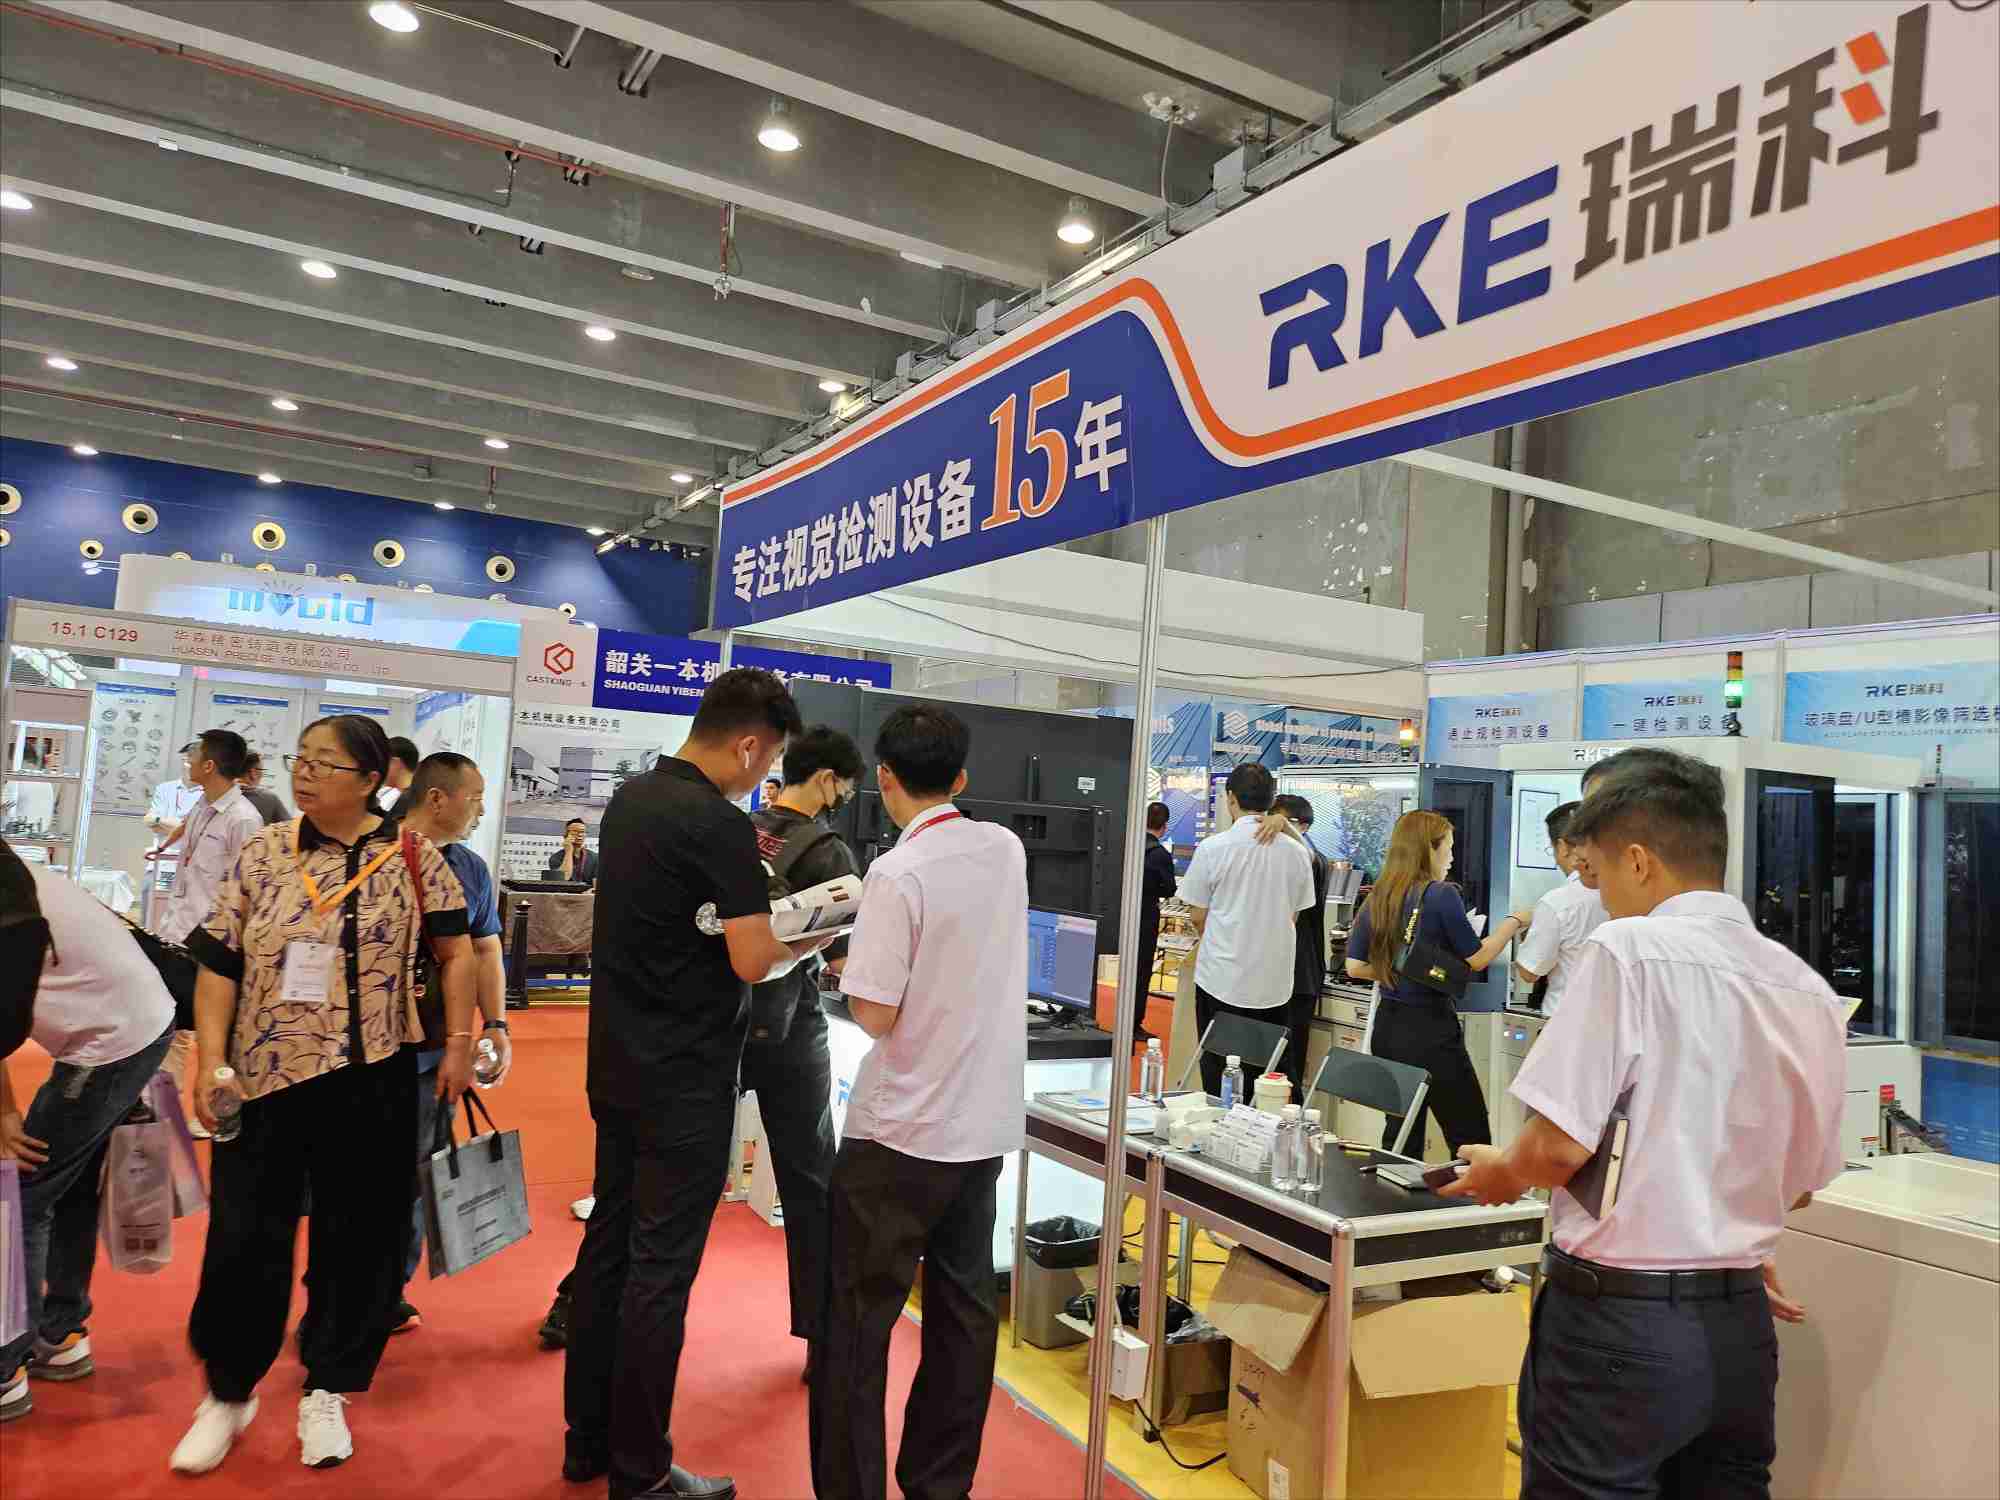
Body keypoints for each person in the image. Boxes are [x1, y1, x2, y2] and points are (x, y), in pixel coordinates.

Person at [1442, 748, 1847, 1500]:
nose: (1597, 895)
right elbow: (1801, 1187)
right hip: (1741, 1329)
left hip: (1619, 1327)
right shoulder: (1806, 989)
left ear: (1638, 861)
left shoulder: (1628, 950)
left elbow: (1557, 1148)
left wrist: (1503, 1171)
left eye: (1598, 873)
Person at [170, 714, 477, 1475]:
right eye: (300, 760)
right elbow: (219, 964)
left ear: (371, 780)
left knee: (360, 1239)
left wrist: (460, 1043)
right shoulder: (265, 850)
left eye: (324, 764)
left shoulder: (414, 856)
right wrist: (211, 1062)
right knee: (246, 1237)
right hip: (265, 1077)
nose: (304, 774)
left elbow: (457, 951)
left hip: (373, 1077)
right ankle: (229, 1391)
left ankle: (328, 1387)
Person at [564, 668, 827, 1500]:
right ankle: (641, 1473)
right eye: (769, 759)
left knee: (610, 1249)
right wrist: (817, 933)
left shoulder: (630, 801)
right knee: (659, 1271)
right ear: (748, 745)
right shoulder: (720, 825)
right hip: (685, 1078)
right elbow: (752, 958)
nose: (765, 776)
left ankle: (589, 1441)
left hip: (617, 1062)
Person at [814, 703, 1028, 1500]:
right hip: (980, 1124)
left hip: (899, 1131)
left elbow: (875, 1013)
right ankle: (940, 1485)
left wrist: (843, 968)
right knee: (965, 1314)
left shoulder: (897, 873)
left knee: (856, 1324)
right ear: (962, 778)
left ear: (884, 778)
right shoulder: (1005, 849)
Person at [0, 843, 176, 1424]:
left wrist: (5, 1115)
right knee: (66, 1185)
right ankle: (61, 1333)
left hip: (112, 1039)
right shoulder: (12, 873)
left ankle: (5, 1368)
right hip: (131, 1020)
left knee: (21, 1191)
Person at [745, 725, 864, 1381]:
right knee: (812, 1184)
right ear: (827, 780)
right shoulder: (829, 850)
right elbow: (842, 959)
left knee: (672, 1178)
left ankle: (583, 1303)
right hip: (790, 1029)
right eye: (845, 786)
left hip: (726, 1022)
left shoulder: (743, 829)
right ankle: (825, 1340)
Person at [389, 752, 513, 1334]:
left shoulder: (470, 868)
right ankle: (334, 1297)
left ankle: (389, 1291)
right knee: (351, 1179)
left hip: (438, 1048)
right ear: (437, 798)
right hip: (365, 1052)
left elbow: (486, 949)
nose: (481, 810)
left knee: (421, 1169)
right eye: (475, 797)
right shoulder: (375, 852)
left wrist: (496, 1025)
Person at [1344, 810, 1533, 1158]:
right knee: (1469, 1134)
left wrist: (1396, 970)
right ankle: (1475, 1193)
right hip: (1431, 1029)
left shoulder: (1379, 895)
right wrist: (1514, 922)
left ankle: (1392, 1193)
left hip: (1388, 1027)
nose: (1452, 857)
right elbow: (1477, 958)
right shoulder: (1441, 894)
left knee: (1401, 1136)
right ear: (1428, 849)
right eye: (1449, 847)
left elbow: (1355, 967)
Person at [1178, 764, 1315, 1097]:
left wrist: (1223, 938)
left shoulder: (1214, 848)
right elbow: (1294, 915)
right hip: (1274, 985)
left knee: (1219, 1073)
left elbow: (1198, 914)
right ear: (1270, 800)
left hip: (1220, 979)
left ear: (1230, 799)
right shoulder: (1296, 853)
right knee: (1270, 1079)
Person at [155, 733, 266, 1135]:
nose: (188, 763)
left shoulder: (244, 819)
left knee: (211, 1035)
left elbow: (249, 889)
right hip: (177, 933)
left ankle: (218, 1116)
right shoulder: (203, 805)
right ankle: (164, 1116)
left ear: (210, 766)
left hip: (213, 945)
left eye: (194, 756)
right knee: (170, 1030)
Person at [1513, 800, 1607, 1014]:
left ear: (1563, 847)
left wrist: (1520, 927)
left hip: (1563, 1017)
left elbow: (1529, 971)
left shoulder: (1557, 902)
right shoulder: (1629, 893)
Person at [1270, 795, 1330, 1100]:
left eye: (1278, 821)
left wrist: (1284, 826)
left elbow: (1308, 857)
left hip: (1300, 975)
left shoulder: (1312, 860)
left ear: (1302, 826)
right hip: (1282, 973)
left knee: (1289, 1066)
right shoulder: (1284, 857)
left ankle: (1293, 1117)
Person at [1131, 800, 1177, 1046]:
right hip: (1146, 917)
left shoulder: (1129, 846)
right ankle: (1133, 1023)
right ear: (1164, 826)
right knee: (1141, 972)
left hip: (1124, 913)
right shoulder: (1160, 854)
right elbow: (1169, 889)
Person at [238, 752, 289, 826]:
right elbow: (290, 827)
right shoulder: (269, 799)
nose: (262, 775)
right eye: (261, 770)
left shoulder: (225, 794)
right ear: (253, 773)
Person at [545, 818, 600, 886]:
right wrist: (569, 851)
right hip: (565, 891)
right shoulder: (556, 858)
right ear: (566, 836)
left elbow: (596, 884)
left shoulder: (595, 857)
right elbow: (564, 877)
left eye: (582, 831)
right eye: (575, 831)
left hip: (588, 891)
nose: (580, 834)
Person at [374, 736, 420, 812]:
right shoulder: (412, 794)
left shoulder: (412, 801)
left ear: (395, 763)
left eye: (382, 762)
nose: (379, 769)